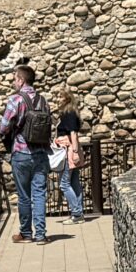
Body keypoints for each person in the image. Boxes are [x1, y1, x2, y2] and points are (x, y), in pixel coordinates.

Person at [0, 62, 53, 243]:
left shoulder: (16, 100)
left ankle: (26, 234)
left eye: (15, 79)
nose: (13, 82)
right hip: (41, 153)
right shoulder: (43, 101)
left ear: (21, 80)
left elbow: (4, 126)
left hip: (21, 153)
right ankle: (41, 235)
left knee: (24, 196)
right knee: (39, 195)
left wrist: (6, 134)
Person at [51, 89, 87, 224]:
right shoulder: (69, 113)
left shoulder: (69, 113)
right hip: (71, 150)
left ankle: (76, 213)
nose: (56, 100)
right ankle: (79, 214)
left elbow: (73, 133)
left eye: (59, 97)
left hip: (68, 151)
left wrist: (75, 152)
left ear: (66, 99)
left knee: (64, 184)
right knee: (74, 182)